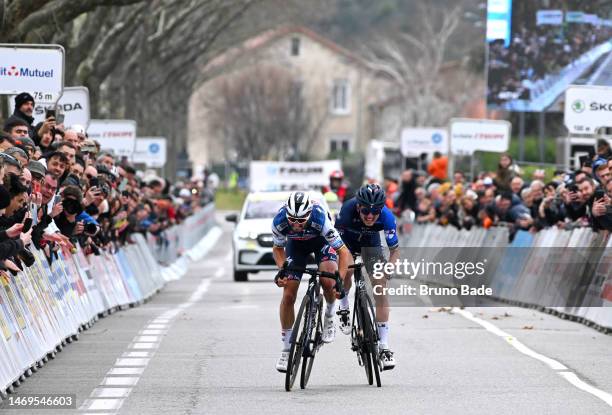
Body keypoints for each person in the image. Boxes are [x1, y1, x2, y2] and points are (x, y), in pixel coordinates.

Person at [271, 191, 352, 372]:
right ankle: (286, 349)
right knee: (288, 295)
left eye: (301, 220)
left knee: (327, 280)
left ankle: (330, 315)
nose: (296, 224)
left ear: (309, 213)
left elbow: (344, 252)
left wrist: (339, 278)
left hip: (321, 242)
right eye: (293, 219)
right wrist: (282, 268)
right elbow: (277, 249)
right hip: (295, 247)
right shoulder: (279, 221)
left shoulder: (320, 218)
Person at [334, 183, 399, 370]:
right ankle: (344, 307)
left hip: (371, 246)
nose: (370, 216)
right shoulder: (347, 210)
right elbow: (336, 245)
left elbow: (395, 250)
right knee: (346, 273)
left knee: (380, 289)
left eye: (375, 212)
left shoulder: (387, 217)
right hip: (347, 244)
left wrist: (390, 268)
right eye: (365, 211)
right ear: (357, 207)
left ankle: (384, 347)